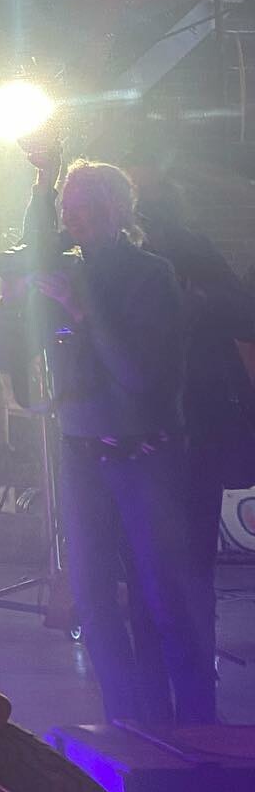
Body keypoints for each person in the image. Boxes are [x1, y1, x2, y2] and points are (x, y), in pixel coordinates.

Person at [0, 145, 215, 726]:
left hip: (146, 453)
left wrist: (81, 308)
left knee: (160, 597)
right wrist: (11, 303)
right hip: (83, 452)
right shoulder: (71, 271)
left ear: (115, 209)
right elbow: (7, 355)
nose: (71, 218)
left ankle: (193, 725)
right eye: (66, 206)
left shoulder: (149, 274)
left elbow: (138, 374)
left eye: (83, 205)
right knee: (93, 597)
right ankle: (126, 723)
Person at [131, 174, 255, 701]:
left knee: (159, 563)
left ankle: (172, 684)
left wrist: (191, 303)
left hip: (176, 428)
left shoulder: (173, 251)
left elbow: (242, 313)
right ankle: (190, 680)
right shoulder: (170, 251)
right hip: (182, 428)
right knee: (183, 563)